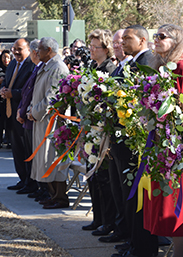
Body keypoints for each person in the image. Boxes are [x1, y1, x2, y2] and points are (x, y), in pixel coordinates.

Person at [142, 24, 183, 257]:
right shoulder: (159, 66)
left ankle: (180, 252)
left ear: (175, 41)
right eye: (155, 35)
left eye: (161, 37)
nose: (156, 40)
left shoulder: (182, 67)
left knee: (175, 199)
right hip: (159, 139)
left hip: (175, 143)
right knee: (160, 198)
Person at [112, 24, 158, 257]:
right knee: (126, 195)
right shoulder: (131, 63)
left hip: (135, 141)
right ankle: (132, 242)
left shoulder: (148, 61)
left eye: (127, 38)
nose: (122, 43)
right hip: (124, 139)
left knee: (135, 197)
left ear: (142, 40)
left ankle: (141, 247)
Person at [96, 29, 133, 247]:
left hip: (125, 136)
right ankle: (120, 228)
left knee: (122, 188)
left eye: (122, 42)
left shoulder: (129, 67)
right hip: (113, 133)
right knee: (116, 187)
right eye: (117, 42)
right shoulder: (118, 67)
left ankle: (125, 231)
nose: (119, 46)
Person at [28, 37, 69, 209]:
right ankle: (53, 195)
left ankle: (60, 197)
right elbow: (36, 92)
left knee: (52, 159)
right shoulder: (47, 66)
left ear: (50, 50)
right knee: (44, 160)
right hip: (42, 120)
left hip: (52, 122)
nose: (37, 53)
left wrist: (34, 112)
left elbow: (52, 98)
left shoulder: (58, 67)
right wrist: (31, 109)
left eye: (41, 50)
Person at [84, 28, 118, 239]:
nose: (91, 50)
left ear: (106, 49)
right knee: (93, 176)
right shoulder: (92, 66)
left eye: (95, 46)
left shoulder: (109, 68)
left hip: (103, 131)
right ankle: (97, 218)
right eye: (90, 46)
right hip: (92, 127)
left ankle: (108, 221)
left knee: (103, 177)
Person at [0, 39, 35, 191]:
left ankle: (30, 182)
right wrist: (3, 89)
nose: (15, 52)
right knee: (16, 149)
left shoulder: (32, 65)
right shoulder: (13, 64)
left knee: (26, 149)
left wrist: (12, 94)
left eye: (19, 49)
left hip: (23, 115)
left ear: (27, 49)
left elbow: (30, 91)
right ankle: (22, 179)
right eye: (14, 49)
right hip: (9, 113)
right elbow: (7, 81)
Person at [16, 39, 41, 196]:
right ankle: (28, 182)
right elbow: (26, 92)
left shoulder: (36, 67)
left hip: (33, 117)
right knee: (26, 152)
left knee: (33, 154)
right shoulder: (36, 68)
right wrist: (20, 109)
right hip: (25, 116)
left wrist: (26, 110)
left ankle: (35, 185)